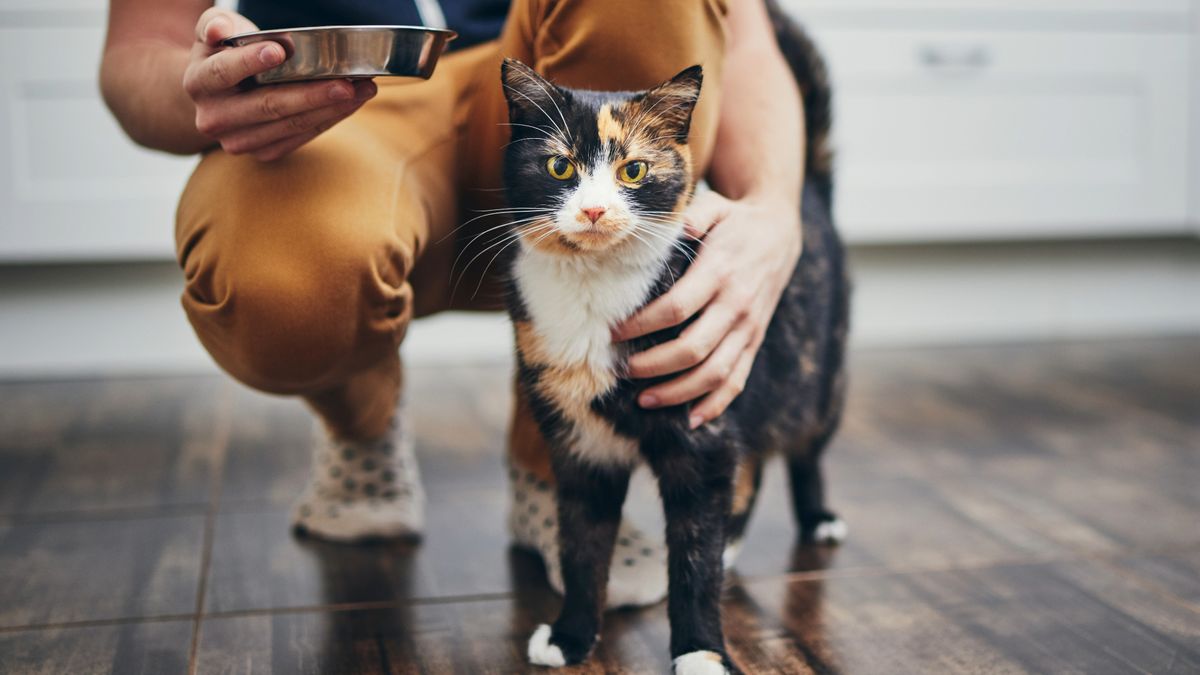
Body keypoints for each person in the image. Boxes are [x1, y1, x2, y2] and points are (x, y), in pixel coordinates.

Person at [100, 0, 806, 607]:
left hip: (552, 78)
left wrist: (775, 209)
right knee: (283, 292)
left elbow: (743, 38)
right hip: (330, 104)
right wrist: (205, 86)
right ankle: (360, 419)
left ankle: (559, 464)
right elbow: (138, 51)